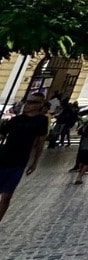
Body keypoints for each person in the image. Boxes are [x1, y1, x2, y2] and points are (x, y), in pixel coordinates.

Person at [0, 94, 50, 222]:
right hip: (3, 158)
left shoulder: (41, 120)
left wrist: (35, 162)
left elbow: (40, 142)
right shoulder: (15, 120)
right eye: (27, 101)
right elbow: (1, 135)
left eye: (33, 102)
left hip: (19, 162)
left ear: (40, 105)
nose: (28, 104)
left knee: (6, 196)